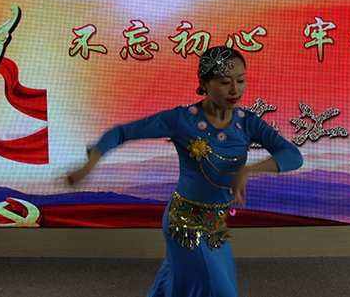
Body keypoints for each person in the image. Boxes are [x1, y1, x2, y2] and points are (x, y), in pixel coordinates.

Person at [67, 46, 303, 297]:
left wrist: (249, 170)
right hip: (184, 224)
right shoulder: (183, 119)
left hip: (216, 225)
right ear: (205, 83)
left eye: (241, 80)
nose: (235, 90)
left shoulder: (247, 122)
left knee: (175, 285)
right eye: (225, 82)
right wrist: (90, 163)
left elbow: (293, 156)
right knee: (220, 291)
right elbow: (123, 132)